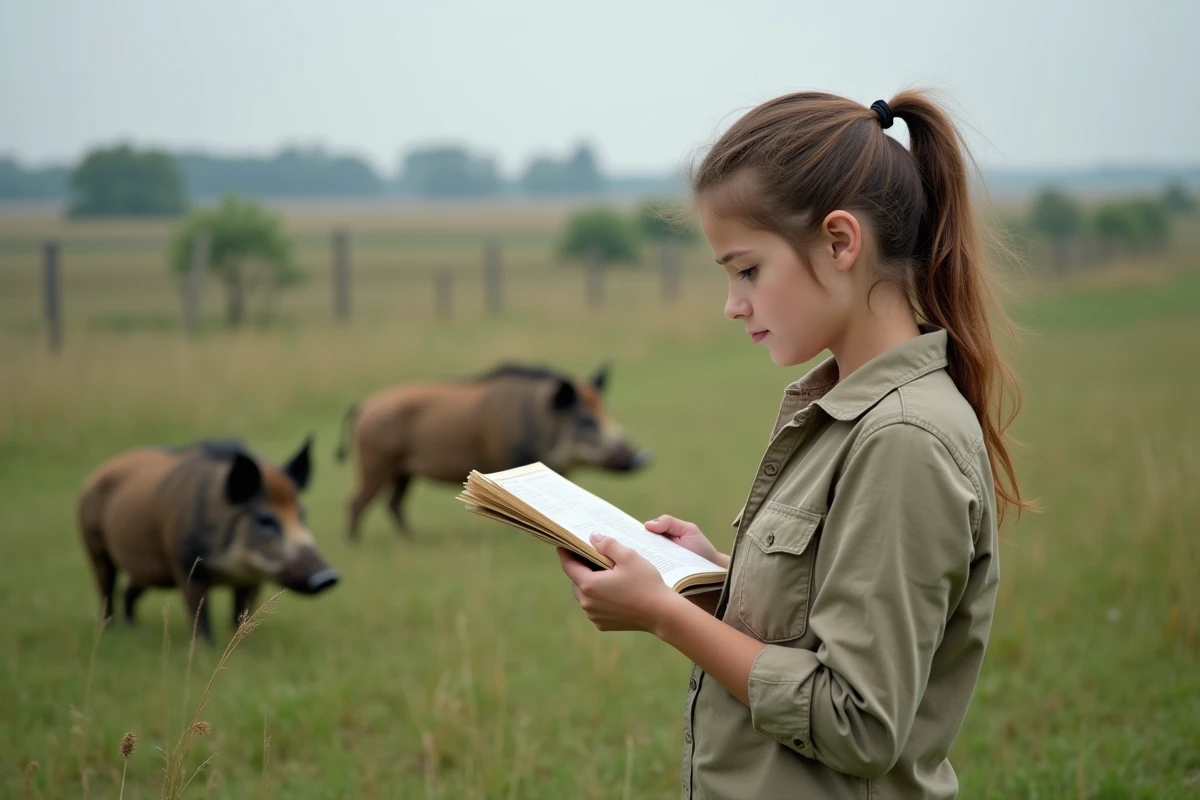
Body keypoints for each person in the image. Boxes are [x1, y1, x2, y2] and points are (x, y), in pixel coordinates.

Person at [555, 89, 1032, 799]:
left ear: (840, 243)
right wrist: (710, 580)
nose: (733, 304)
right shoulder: (849, 412)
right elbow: (820, 618)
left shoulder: (903, 440)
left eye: (747, 270)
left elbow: (857, 722)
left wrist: (664, 615)